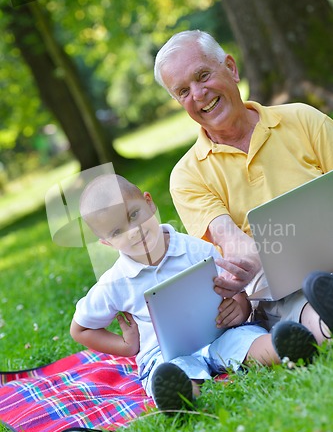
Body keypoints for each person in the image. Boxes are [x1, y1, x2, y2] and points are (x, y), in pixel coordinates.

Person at [70, 174, 315, 412]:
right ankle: (182, 396)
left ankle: (286, 347)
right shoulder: (114, 282)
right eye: (116, 232)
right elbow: (80, 329)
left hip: (219, 333)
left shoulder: (195, 249)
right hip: (164, 353)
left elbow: (235, 289)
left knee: (246, 340)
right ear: (107, 243)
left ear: (148, 202)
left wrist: (240, 307)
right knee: (170, 373)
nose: (133, 231)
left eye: (134, 215)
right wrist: (125, 346)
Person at [154, 29, 333, 346]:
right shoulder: (187, 175)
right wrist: (252, 261)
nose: (198, 94)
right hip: (281, 285)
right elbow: (229, 239)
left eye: (203, 75)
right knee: (306, 306)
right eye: (183, 91)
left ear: (232, 69)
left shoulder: (303, 119)